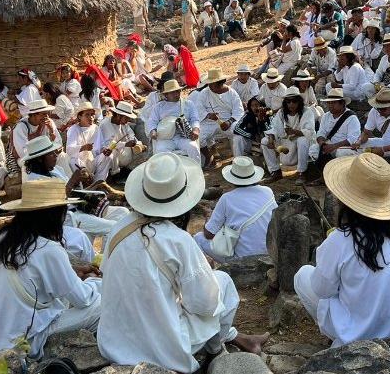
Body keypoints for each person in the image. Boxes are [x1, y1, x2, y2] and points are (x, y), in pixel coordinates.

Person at [99, 153, 269, 371]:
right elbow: (205, 304)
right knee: (223, 282)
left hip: (114, 342)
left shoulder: (118, 227)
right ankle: (216, 353)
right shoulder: (178, 240)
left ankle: (236, 339)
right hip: (162, 349)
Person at [295, 153, 390, 347]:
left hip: (361, 335)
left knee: (302, 276)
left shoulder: (342, 239)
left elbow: (321, 289)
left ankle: (341, 338)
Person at [0, 179, 101, 357]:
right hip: (25, 340)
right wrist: (95, 282)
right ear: (54, 215)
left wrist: (73, 275)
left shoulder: (4, 238)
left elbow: (33, 277)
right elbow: (83, 299)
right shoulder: (49, 249)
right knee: (103, 305)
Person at [194, 156, 276, 261]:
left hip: (242, 259)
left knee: (198, 238)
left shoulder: (226, 199)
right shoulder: (268, 191)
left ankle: (211, 274)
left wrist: (208, 215)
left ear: (232, 180)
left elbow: (209, 234)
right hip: (270, 253)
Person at [340, 88, 390, 182]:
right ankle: (350, 175)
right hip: (385, 141)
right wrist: (359, 141)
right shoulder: (374, 111)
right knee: (360, 145)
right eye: (378, 108)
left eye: (383, 109)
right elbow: (366, 133)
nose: (380, 112)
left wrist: (383, 150)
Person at [262, 87, 317, 183]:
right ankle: (276, 171)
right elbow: (274, 129)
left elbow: (310, 132)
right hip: (285, 143)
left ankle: (301, 173)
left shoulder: (307, 112)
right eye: (288, 102)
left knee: (302, 140)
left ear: (299, 102)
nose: (291, 104)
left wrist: (294, 132)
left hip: (299, 143)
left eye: (294, 101)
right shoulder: (281, 112)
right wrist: (271, 139)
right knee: (264, 141)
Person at [197, 69, 244, 163]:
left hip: (229, 121)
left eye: (212, 83)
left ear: (220, 83)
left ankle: (238, 160)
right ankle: (209, 156)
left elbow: (239, 111)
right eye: (209, 83)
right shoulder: (204, 93)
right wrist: (208, 115)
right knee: (198, 136)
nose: (209, 86)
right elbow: (199, 109)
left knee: (237, 134)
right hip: (210, 122)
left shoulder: (232, 93)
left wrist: (229, 122)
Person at [147, 80, 201, 162]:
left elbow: (195, 119)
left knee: (193, 147)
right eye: (173, 92)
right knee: (160, 151)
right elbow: (152, 121)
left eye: (178, 91)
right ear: (166, 94)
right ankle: (167, 173)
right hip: (166, 138)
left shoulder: (188, 104)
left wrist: (195, 129)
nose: (176, 94)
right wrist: (153, 131)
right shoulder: (159, 107)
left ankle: (196, 171)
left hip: (183, 137)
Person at [314, 88, 361, 168]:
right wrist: (322, 143)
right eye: (329, 103)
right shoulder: (326, 116)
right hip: (329, 145)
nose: (330, 105)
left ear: (342, 103)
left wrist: (334, 146)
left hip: (345, 147)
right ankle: (323, 173)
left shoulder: (351, 118)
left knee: (340, 153)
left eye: (334, 103)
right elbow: (321, 132)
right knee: (313, 149)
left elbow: (352, 139)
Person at [11, 99, 63, 169]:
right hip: (29, 158)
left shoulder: (49, 122)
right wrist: (42, 157)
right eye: (43, 114)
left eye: (47, 113)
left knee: (63, 157)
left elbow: (59, 144)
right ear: (33, 115)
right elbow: (22, 152)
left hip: (47, 156)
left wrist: (51, 131)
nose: (47, 116)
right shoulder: (21, 127)